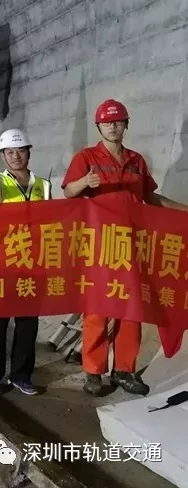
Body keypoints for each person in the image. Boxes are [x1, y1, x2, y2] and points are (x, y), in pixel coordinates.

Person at [62, 99, 188, 396]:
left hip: (132, 245)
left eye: (118, 121)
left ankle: (124, 370)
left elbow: (151, 198)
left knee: (131, 309)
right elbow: (68, 192)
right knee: (98, 309)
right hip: (100, 246)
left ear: (126, 125)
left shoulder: (136, 161)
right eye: (107, 122)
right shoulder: (86, 157)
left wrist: (184, 211)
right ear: (99, 126)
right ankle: (94, 372)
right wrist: (84, 182)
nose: (113, 126)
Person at [0, 129, 50, 396]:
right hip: (2, 262)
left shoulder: (44, 185)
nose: (15, 156)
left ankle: (21, 376)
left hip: (33, 262)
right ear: (2, 156)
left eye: (20, 151)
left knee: (28, 322)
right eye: (9, 152)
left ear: (29, 152)